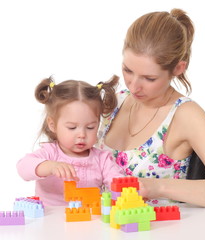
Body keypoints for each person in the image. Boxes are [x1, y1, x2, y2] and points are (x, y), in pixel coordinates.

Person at [96, 8, 205, 207]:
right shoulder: (116, 102)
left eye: (149, 78)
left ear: (178, 68)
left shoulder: (186, 115)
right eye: (128, 70)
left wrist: (157, 187)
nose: (133, 86)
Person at [17, 76, 125, 206]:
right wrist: (50, 166)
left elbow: (118, 182)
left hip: (89, 220)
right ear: (52, 125)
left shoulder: (102, 159)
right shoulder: (50, 153)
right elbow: (23, 167)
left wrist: (129, 190)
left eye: (90, 127)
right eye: (72, 127)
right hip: (50, 220)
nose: (82, 135)